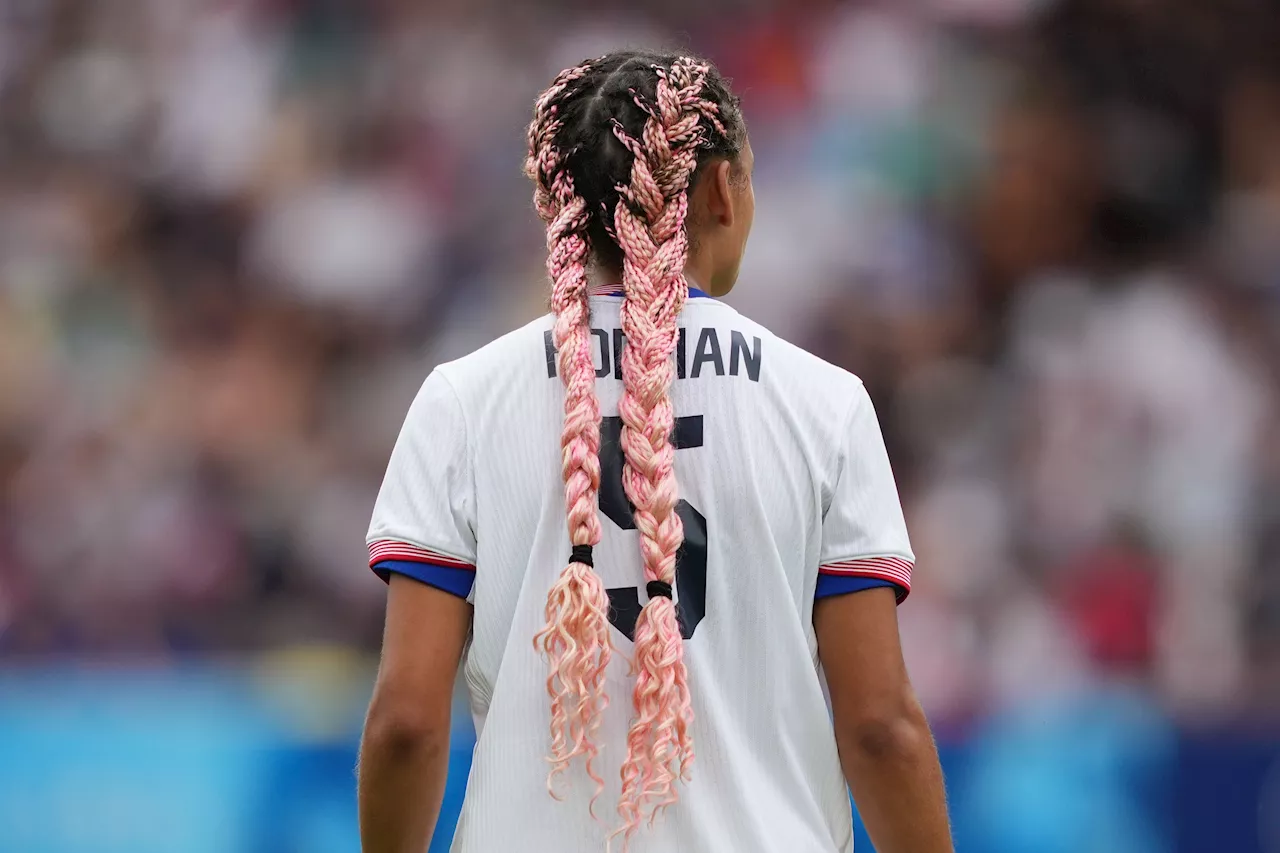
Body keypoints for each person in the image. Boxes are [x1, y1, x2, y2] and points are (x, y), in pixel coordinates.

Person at [357, 50, 953, 853]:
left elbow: (404, 723)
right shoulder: (825, 403)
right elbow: (880, 725)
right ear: (719, 192)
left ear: (556, 203)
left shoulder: (462, 399)